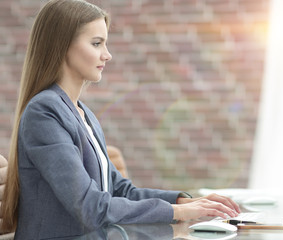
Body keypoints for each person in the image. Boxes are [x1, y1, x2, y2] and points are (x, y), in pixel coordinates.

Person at [1, 0, 241, 239]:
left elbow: (119, 189)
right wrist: (177, 211)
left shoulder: (83, 113)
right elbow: (90, 206)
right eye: (96, 43)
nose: (107, 55)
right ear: (62, 45)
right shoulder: (44, 112)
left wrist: (186, 201)